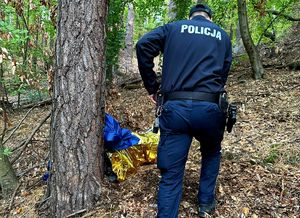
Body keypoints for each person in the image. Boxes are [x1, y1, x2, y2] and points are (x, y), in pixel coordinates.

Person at [136, 3, 232, 218]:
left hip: (175, 109)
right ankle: (206, 203)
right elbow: (224, 71)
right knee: (211, 153)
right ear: (209, 18)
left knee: (171, 174)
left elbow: (143, 45)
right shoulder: (222, 36)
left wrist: (152, 87)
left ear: (191, 17)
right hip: (209, 108)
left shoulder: (173, 28)